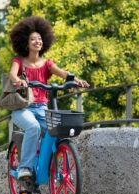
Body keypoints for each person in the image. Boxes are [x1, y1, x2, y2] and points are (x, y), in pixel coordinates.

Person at [9, 16, 89, 179]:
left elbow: (63, 74)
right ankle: (25, 167)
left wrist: (76, 81)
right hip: (22, 108)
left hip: (41, 107)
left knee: (58, 132)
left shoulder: (47, 64)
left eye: (39, 39)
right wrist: (19, 80)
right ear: (26, 43)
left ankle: (57, 169)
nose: (37, 41)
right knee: (33, 127)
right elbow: (12, 74)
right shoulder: (19, 61)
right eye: (33, 39)